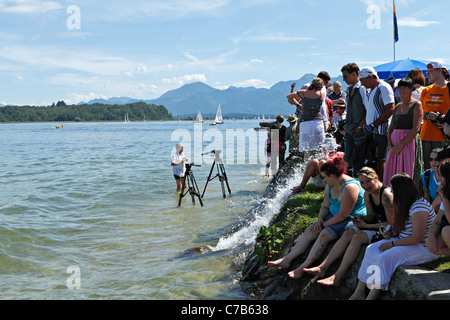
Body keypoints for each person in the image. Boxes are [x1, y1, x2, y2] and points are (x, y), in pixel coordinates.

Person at [268, 156, 367, 279]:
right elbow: (325, 206)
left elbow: (343, 215)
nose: (322, 180)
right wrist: (320, 220)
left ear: (331, 176)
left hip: (351, 218)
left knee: (324, 234)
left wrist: (323, 225)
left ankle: (302, 267)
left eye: (323, 177)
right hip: (334, 215)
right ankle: (286, 260)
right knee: (310, 231)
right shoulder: (330, 185)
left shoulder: (349, 188)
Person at [349, 173, 438, 300]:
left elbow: (417, 237)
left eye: (393, 188)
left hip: (423, 247)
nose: (391, 191)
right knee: (371, 250)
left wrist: (391, 244)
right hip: (404, 241)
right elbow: (401, 228)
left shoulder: (419, 206)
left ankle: (372, 295)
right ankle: (359, 291)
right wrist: (390, 233)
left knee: (385, 256)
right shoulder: (402, 203)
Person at [304, 167, 392, 286]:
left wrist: (367, 225)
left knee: (357, 238)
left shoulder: (386, 195)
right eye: (362, 183)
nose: (365, 185)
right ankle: (322, 267)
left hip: (389, 229)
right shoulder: (368, 193)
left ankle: (337, 276)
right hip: (376, 223)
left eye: (368, 181)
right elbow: (371, 215)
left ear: (376, 178)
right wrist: (362, 218)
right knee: (347, 233)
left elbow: (392, 223)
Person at [383, 78, 423, 185]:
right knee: (392, 172)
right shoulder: (397, 106)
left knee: (407, 172)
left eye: (405, 87)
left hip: (408, 144)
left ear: (411, 89)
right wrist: (391, 146)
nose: (402, 90)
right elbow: (391, 128)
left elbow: (415, 128)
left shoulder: (416, 104)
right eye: (400, 88)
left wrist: (401, 145)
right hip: (395, 147)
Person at [359, 66, 395, 183]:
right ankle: (376, 185)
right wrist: (367, 125)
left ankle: (381, 186)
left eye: (363, 80)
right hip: (374, 130)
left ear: (371, 77)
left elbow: (390, 108)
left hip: (382, 131)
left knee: (381, 160)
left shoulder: (383, 87)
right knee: (374, 159)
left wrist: (373, 125)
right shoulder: (372, 90)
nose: (362, 83)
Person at [420, 60, 450, 168]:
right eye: (426, 72)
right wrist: (426, 115)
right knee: (426, 168)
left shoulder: (449, 89)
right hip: (425, 136)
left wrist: (444, 119)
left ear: (440, 71)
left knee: (444, 169)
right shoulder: (425, 90)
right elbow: (419, 112)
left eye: (430, 71)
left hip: (444, 137)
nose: (427, 75)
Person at [287, 78, 326, 160]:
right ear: (320, 87)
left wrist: (298, 105)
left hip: (305, 124)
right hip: (318, 123)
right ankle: (320, 170)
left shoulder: (303, 93)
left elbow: (289, 97)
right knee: (320, 151)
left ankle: (308, 170)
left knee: (307, 152)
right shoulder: (321, 94)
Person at [340, 62, 368, 176]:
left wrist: (361, 126)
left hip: (359, 129)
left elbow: (368, 109)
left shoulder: (362, 88)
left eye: (345, 76)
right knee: (347, 158)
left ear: (354, 74)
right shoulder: (349, 88)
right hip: (350, 128)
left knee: (359, 159)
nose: (343, 79)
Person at [426, 159, 450, 257]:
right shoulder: (447, 192)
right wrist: (431, 236)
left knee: (446, 231)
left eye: (440, 175)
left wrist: (444, 198)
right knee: (433, 245)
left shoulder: (445, 196)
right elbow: (437, 221)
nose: (438, 179)